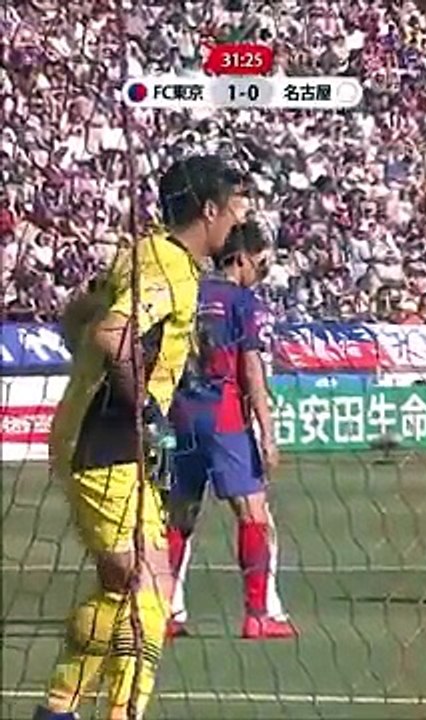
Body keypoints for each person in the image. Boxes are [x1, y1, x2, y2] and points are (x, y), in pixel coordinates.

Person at [35, 155, 248, 720]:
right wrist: (147, 410)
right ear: (209, 210)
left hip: (89, 433)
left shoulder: (141, 250)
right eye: (234, 208)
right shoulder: (170, 267)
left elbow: (79, 316)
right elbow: (110, 335)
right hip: (107, 442)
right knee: (148, 590)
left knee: (118, 587)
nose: (237, 222)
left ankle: (58, 708)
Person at [165, 221, 297, 640]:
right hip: (225, 417)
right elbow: (251, 367)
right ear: (240, 258)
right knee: (253, 513)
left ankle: (163, 611)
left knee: (180, 515)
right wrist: (267, 430)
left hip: (182, 415)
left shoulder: (188, 289)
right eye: (260, 262)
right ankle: (257, 613)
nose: (261, 271)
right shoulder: (242, 300)